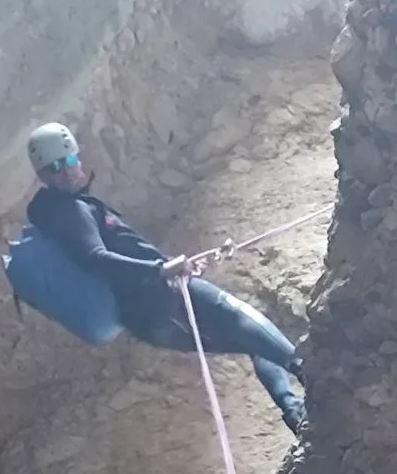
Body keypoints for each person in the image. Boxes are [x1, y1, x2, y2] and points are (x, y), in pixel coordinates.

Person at [24, 123, 307, 436]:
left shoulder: (62, 212)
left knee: (254, 343)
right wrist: (159, 271)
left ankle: (296, 413)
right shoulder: (71, 211)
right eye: (55, 167)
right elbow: (95, 258)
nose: (66, 172)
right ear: (43, 176)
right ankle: (310, 374)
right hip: (158, 298)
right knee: (241, 318)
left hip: (148, 319)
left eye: (70, 161)